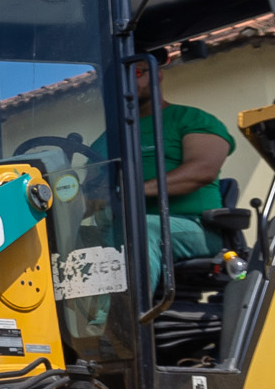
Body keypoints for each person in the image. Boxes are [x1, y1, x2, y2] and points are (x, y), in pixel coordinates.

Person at [93, 51, 237, 275]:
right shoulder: (107, 139)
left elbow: (202, 171)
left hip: (193, 226)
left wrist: (128, 191)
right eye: (116, 78)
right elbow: (90, 190)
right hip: (122, 227)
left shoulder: (191, 119)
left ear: (157, 75)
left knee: (138, 230)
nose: (125, 82)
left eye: (136, 72)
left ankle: (125, 310)